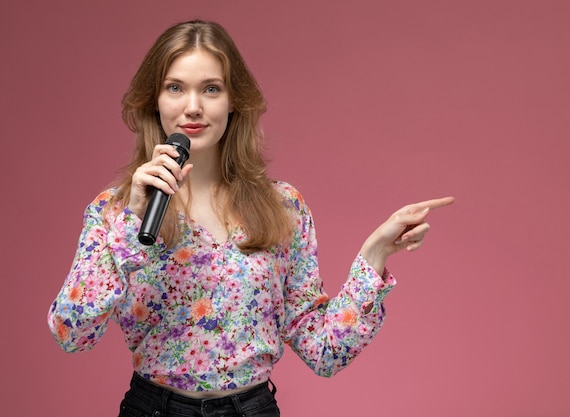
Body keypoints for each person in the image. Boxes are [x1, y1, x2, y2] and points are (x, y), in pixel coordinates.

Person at [47, 19, 454, 417]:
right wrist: (133, 220)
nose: (193, 106)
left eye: (211, 88)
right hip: (154, 408)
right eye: (175, 88)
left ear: (233, 101)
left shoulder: (282, 207)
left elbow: (324, 351)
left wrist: (375, 254)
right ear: (154, 100)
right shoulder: (115, 211)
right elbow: (71, 334)